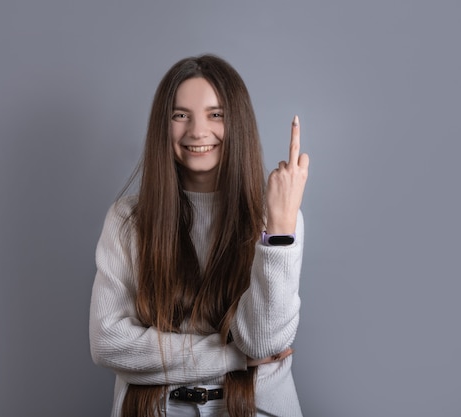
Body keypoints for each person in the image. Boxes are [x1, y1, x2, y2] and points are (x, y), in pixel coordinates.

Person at [90, 54, 309, 417]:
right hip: (155, 409)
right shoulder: (127, 219)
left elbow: (265, 340)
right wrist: (231, 355)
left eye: (215, 114)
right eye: (180, 115)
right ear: (164, 125)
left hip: (253, 408)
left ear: (237, 122)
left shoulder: (277, 216)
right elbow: (109, 344)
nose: (197, 131)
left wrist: (280, 233)